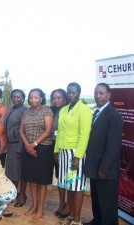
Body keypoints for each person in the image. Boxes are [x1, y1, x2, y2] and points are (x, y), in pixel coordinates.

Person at [83, 83, 123, 225]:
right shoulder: (97, 113)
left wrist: (104, 168)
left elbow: (113, 146)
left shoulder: (113, 116)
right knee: (97, 199)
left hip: (105, 169)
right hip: (95, 166)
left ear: (108, 95)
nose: (98, 96)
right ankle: (97, 221)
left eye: (101, 93)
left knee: (107, 203)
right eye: (96, 93)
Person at [54, 82, 92, 225]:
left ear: (79, 93)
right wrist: (56, 150)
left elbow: (84, 135)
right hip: (63, 153)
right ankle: (70, 215)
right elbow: (60, 133)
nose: (71, 94)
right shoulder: (63, 109)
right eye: (69, 92)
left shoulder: (84, 110)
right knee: (68, 185)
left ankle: (77, 220)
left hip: (75, 154)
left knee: (77, 187)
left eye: (74, 92)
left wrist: (78, 157)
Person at [20, 88, 54, 220]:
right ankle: (34, 205)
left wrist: (33, 145)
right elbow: (21, 131)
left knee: (41, 181)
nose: (33, 99)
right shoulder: (26, 112)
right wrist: (27, 146)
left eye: (36, 97)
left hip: (43, 149)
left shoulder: (46, 110)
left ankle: (41, 208)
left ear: (41, 98)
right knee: (31, 179)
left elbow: (48, 131)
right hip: (28, 148)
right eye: (31, 97)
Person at [4, 89, 28, 207]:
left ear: (23, 98)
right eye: (13, 96)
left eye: (18, 97)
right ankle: (14, 193)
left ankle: (22, 195)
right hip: (10, 144)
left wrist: (20, 149)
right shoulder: (10, 109)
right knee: (12, 172)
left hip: (18, 145)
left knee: (20, 172)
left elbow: (23, 131)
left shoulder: (24, 111)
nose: (15, 99)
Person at [50, 89, 70, 218]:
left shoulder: (69, 111)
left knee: (68, 178)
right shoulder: (52, 110)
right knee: (60, 177)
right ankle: (62, 203)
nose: (56, 100)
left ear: (65, 98)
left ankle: (69, 205)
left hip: (67, 148)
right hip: (55, 147)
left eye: (59, 97)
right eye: (54, 98)